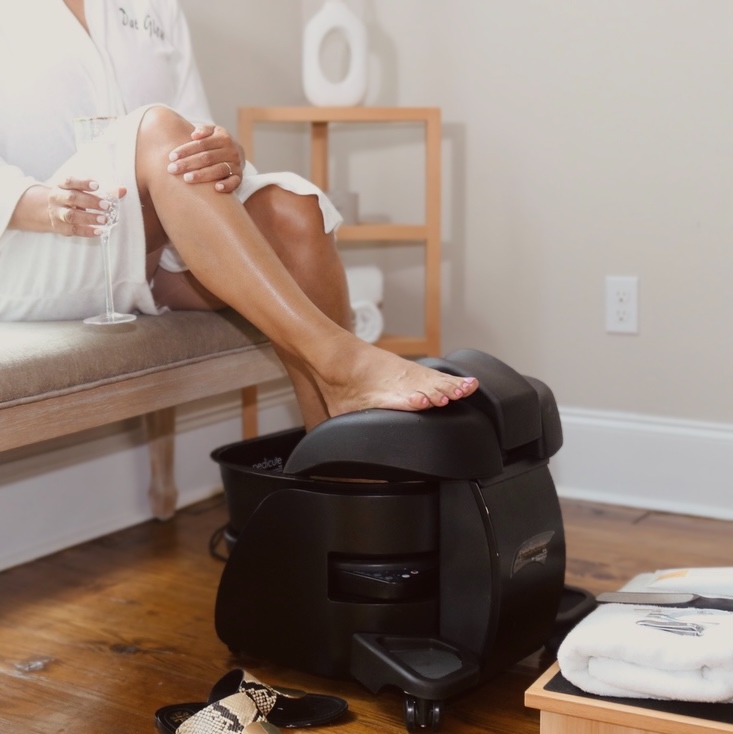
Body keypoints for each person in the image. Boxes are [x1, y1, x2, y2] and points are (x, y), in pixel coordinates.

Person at [0, 0, 478, 430]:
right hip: (35, 249)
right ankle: (343, 358)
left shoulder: (156, 6)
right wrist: (42, 206)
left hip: (150, 250)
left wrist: (228, 157)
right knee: (157, 127)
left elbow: (191, 132)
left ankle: (340, 468)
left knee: (295, 211)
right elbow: (157, 133)